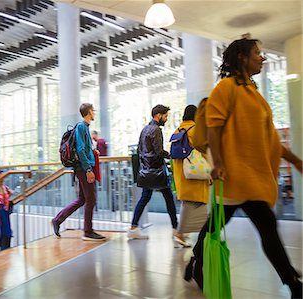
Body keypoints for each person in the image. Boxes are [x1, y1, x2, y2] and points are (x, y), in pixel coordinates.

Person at [185, 38, 303, 298]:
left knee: (228, 227)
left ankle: (195, 262)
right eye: (257, 53)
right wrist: (220, 163)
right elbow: (214, 127)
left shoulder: (253, 92)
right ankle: (293, 284)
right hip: (232, 176)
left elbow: (269, 137)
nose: (262, 58)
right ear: (242, 58)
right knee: (234, 227)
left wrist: (294, 159)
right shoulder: (226, 88)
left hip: (251, 177)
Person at [52, 103, 106, 241]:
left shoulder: (85, 127)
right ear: (89, 112)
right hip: (84, 169)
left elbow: (84, 148)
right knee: (91, 199)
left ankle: (57, 220)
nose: (94, 113)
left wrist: (93, 151)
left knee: (83, 199)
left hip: (83, 168)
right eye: (93, 111)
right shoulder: (82, 127)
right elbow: (80, 150)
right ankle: (88, 231)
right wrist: (88, 169)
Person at [127, 104, 178, 239]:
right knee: (169, 199)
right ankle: (176, 229)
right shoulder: (156, 130)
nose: (166, 119)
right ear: (159, 115)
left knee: (144, 198)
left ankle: (133, 227)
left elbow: (140, 150)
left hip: (146, 172)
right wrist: (171, 155)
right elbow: (158, 151)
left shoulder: (145, 129)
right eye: (165, 116)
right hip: (156, 172)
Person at [171, 105, 209, 247]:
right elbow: (205, 151)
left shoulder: (178, 130)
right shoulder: (196, 130)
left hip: (182, 174)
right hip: (195, 173)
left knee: (190, 202)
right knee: (192, 202)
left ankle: (187, 233)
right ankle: (180, 234)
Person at [0, 170, 14, 252]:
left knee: (5, 234)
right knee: (1, 234)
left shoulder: (5, 188)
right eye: (0, 177)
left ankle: (3, 252)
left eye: (3, 177)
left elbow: (8, 197)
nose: (2, 179)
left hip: (5, 212)